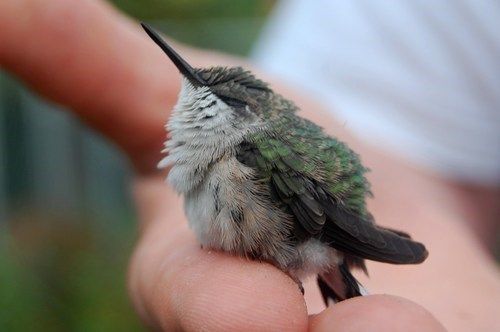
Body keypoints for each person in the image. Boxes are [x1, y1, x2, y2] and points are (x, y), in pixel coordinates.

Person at [0, 1, 497, 331]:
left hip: (319, 236)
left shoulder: (249, 153)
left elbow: (312, 211)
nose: (196, 94)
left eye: (221, 99)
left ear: (245, 116)